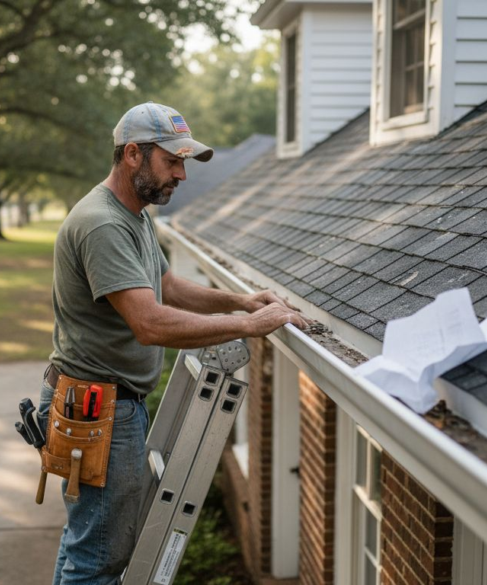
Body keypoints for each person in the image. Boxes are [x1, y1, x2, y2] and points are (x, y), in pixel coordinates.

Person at [39, 102, 310, 584]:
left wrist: (243, 302)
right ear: (132, 156)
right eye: (172, 161)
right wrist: (249, 327)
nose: (182, 174)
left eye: (184, 162)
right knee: (99, 559)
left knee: (87, 546)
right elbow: (151, 324)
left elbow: (168, 286)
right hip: (100, 410)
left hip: (104, 403)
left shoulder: (134, 215)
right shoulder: (104, 223)